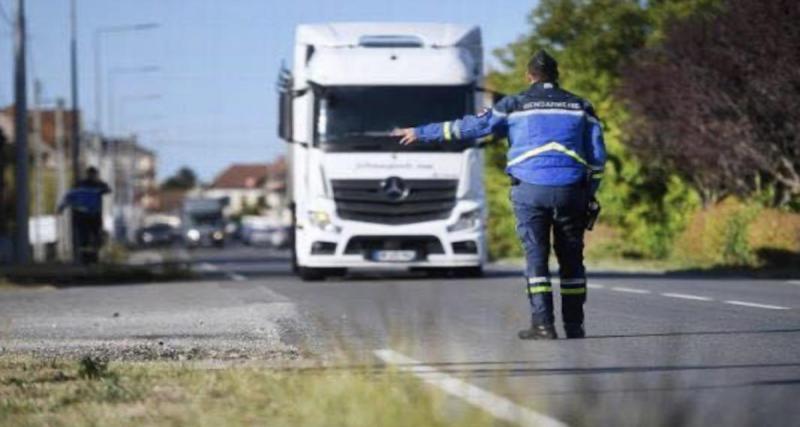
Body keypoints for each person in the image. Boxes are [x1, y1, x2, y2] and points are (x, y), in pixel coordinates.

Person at [393, 50, 606, 340]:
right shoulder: (581, 106)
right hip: (571, 192)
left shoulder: (513, 105)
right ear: (557, 76)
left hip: (529, 191)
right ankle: (574, 326)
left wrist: (422, 132)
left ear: (529, 76)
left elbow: (473, 127)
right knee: (571, 260)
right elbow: (597, 158)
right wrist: (588, 192)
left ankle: (543, 325)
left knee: (536, 259)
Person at [58, 166, 111, 264]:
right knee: (87, 237)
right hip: (88, 215)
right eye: (93, 174)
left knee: (92, 236)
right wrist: (61, 207)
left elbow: (108, 190)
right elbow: (70, 196)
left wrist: (61, 207)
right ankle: (87, 257)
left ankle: (90, 256)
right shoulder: (93, 185)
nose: (93, 176)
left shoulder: (91, 185)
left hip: (89, 215)